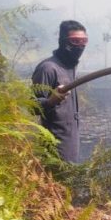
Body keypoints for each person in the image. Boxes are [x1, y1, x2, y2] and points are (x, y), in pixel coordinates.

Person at [32, 20, 88, 163]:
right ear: (63, 42)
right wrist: (50, 101)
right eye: (75, 41)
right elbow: (32, 106)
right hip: (54, 145)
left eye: (84, 41)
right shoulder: (48, 69)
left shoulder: (70, 68)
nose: (80, 46)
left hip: (71, 143)